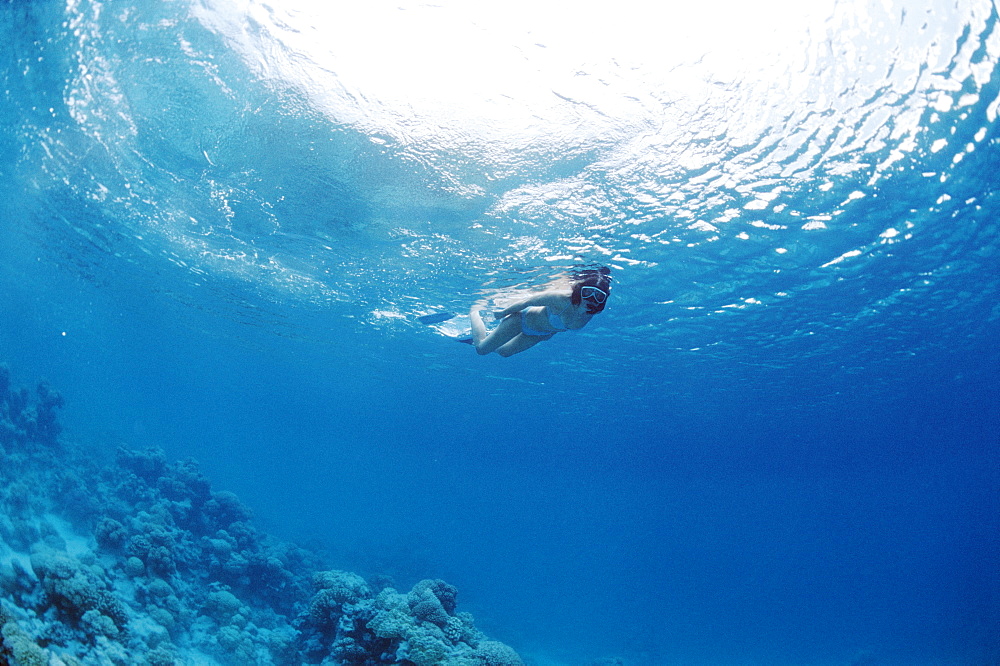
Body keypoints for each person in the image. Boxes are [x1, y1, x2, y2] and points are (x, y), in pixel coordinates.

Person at [468, 266, 612, 357]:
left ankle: (488, 338)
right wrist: (502, 313)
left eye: (598, 296)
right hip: (521, 320)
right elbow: (528, 301)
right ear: (580, 289)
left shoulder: (592, 312)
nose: (591, 299)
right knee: (481, 350)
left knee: (504, 352)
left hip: (539, 334)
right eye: (587, 292)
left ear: (603, 300)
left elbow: (563, 326)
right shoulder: (561, 298)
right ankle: (474, 312)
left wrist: (548, 334)